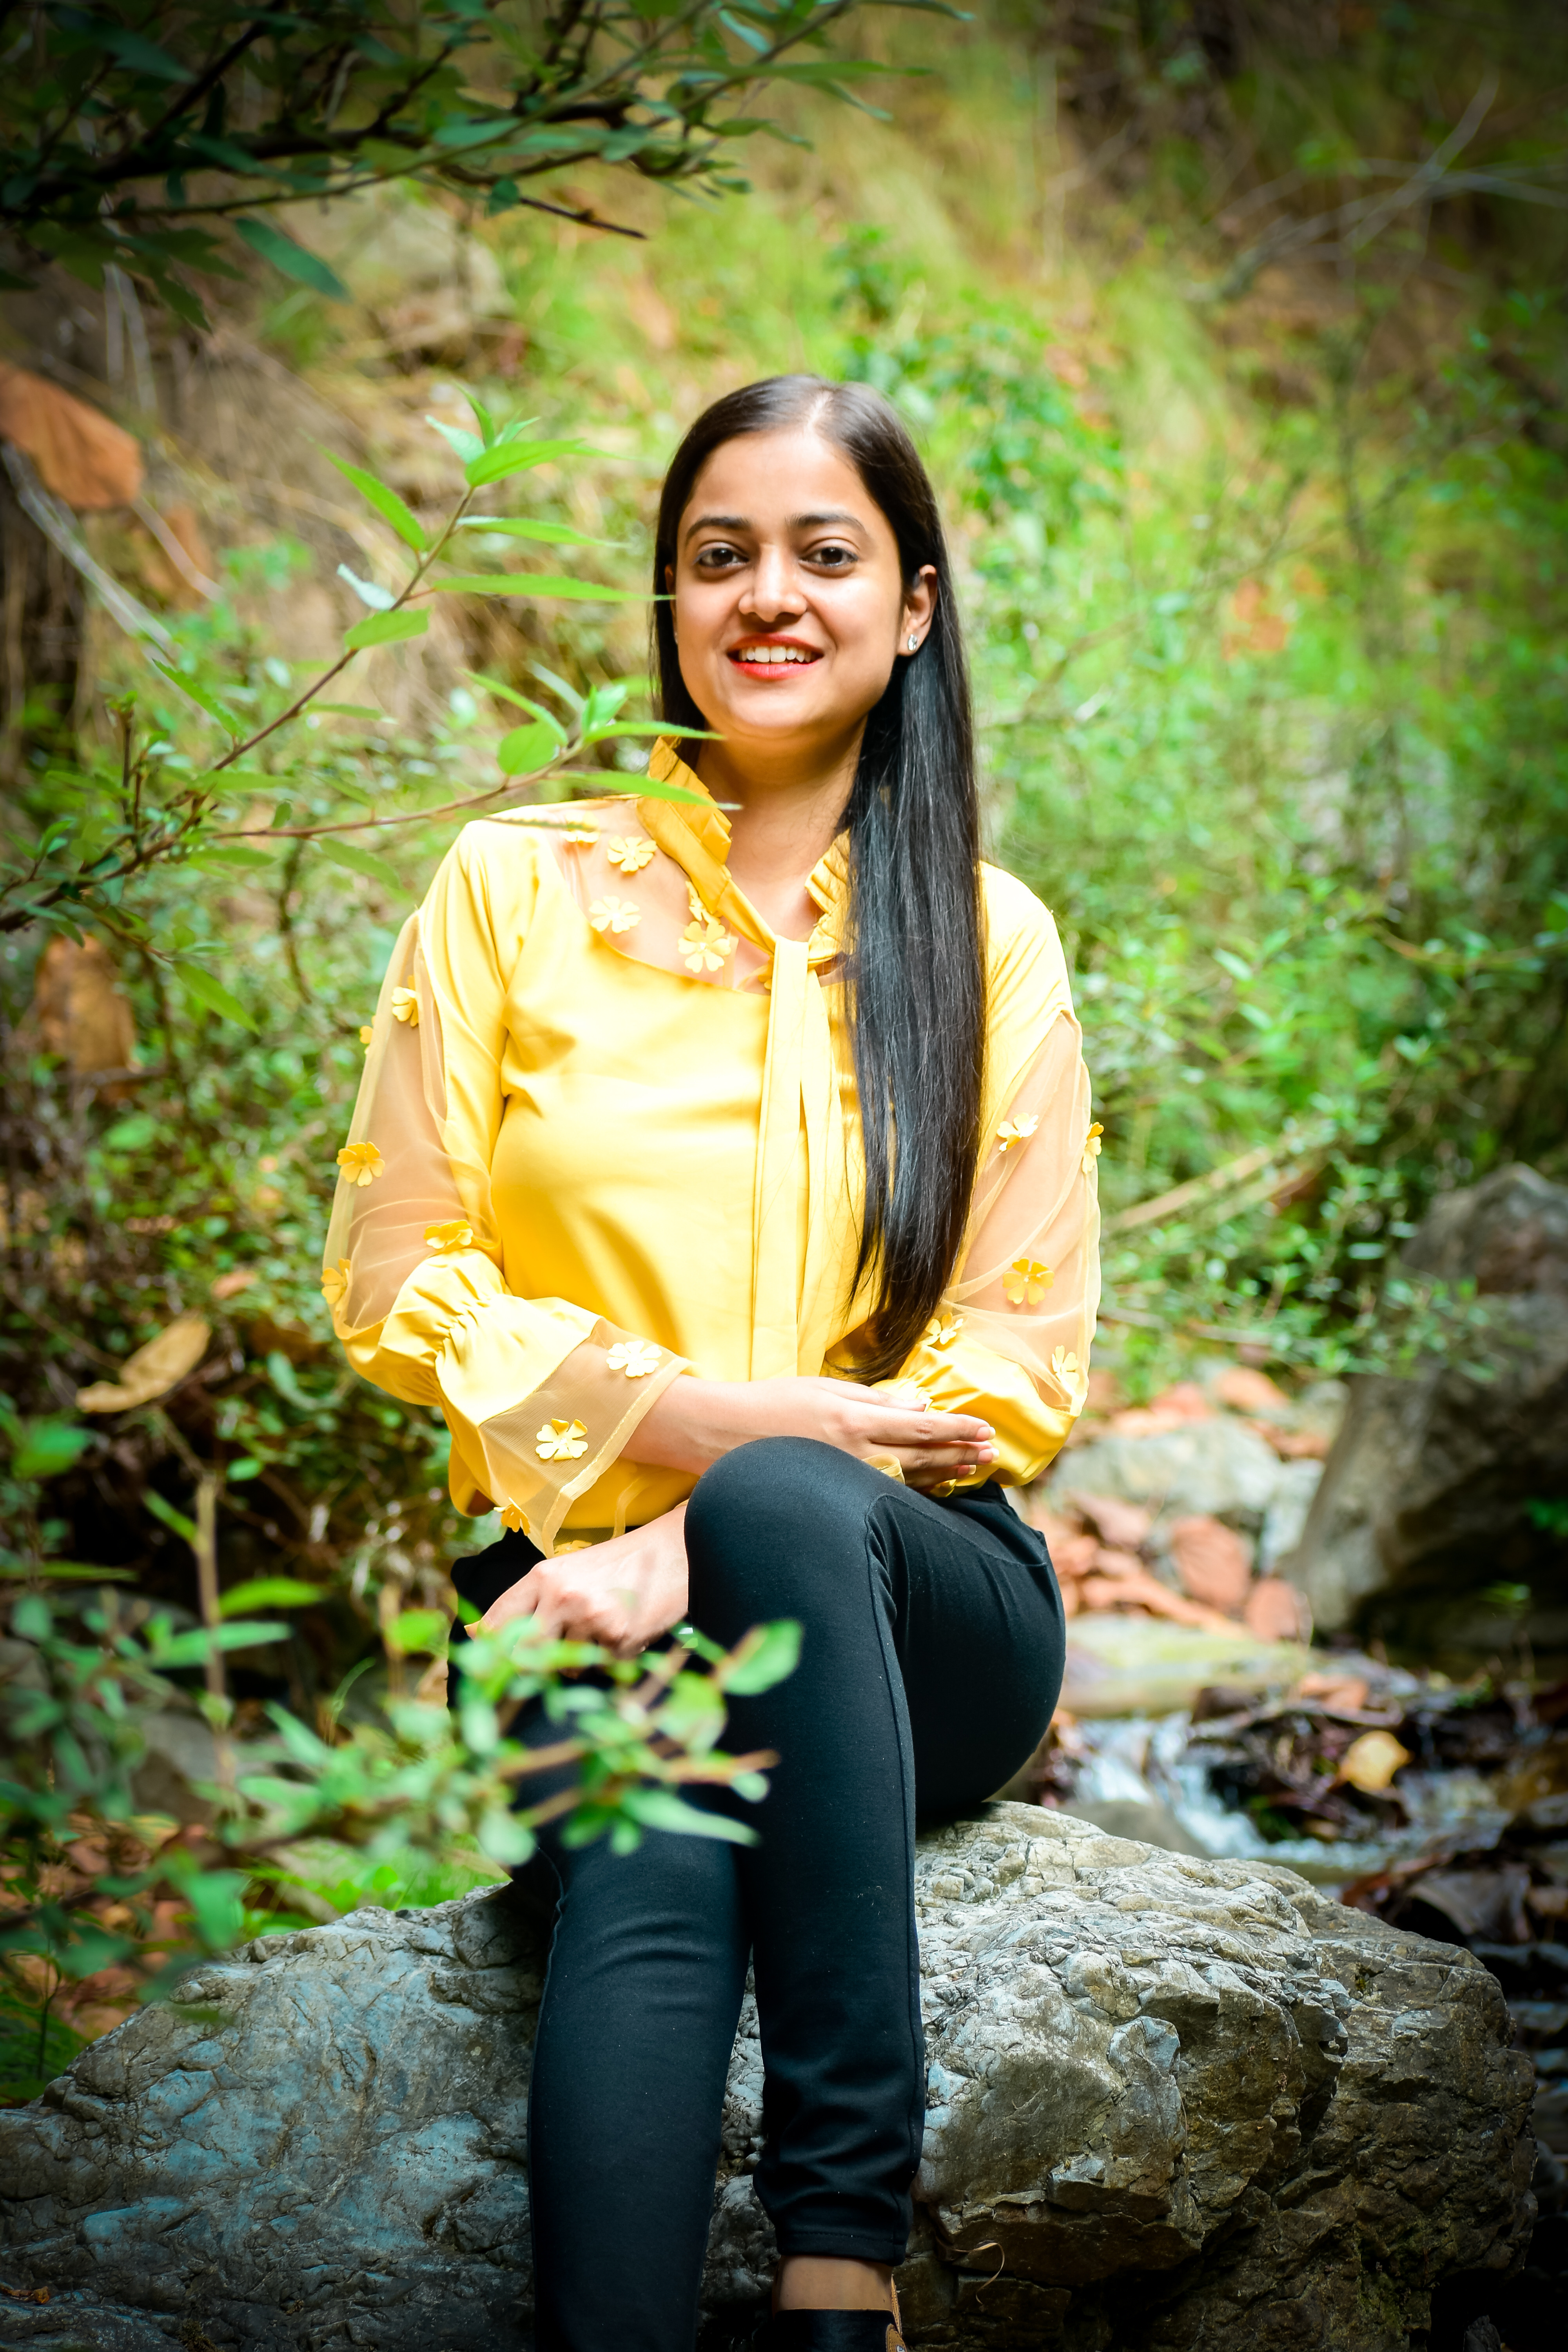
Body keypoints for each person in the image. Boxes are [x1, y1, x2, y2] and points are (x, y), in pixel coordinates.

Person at [325, 375, 1100, 2352]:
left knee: (774, 1507)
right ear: (667, 597)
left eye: (825, 554)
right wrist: (676, 1424)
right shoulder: (514, 891)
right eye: (717, 554)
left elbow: (1008, 1357)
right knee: (653, 1848)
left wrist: (698, 1525)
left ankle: (842, 2252)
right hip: (563, 1606)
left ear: (910, 607)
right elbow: (396, 1273)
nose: (768, 594)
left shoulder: (986, 940)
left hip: (918, 1603)